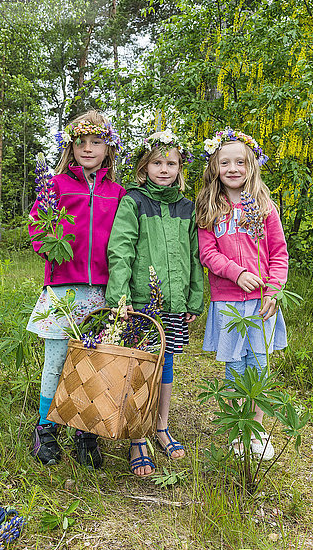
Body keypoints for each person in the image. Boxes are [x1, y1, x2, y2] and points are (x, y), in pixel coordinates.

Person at [27, 109, 126, 468]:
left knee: (92, 362)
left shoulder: (118, 193)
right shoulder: (55, 185)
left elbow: (123, 242)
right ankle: (45, 429)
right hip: (63, 288)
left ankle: (86, 433)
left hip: (100, 290)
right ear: (71, 146)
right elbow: (37, 224)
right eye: (81, 141)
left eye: (96, 141)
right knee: (55, 362)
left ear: (108, 147)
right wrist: (48, 246)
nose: (88, 148)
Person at [105, 129, 204, 477]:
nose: (164, 169)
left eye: (171, 163)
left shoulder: (187, 207)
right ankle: (137, 437)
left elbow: (195, 254)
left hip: (174, 303)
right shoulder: (134, 201)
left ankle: (160, 427)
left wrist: (194, 296)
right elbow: (121, 249)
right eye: (157, 162)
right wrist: (120, 297)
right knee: (140, 367)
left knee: (167, 365)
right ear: (144, 167)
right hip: (142, 302)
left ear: (180, 168)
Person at [196, 128, 288, 460]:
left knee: (259, 366)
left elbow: (278, 254)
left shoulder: (264, 206)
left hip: (263, 302)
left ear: (251, 165)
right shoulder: (209, 207)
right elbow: (208, 254)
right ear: (215, 168)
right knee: (235, 368)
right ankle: (239, 431)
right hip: (228, 301)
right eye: (225, 163)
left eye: (240, 162)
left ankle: (258, 432)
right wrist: (238, 273)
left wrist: (273, 291)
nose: (233, 169)